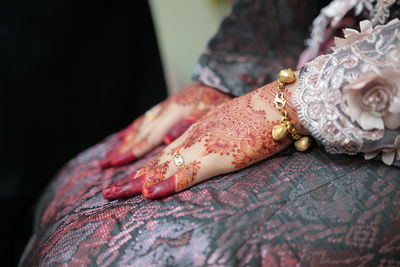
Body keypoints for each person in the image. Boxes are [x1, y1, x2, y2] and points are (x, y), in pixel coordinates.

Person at [20, 0, 400, 266]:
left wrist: (297, 104)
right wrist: (233, 74)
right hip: (310, 51)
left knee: (134, 248)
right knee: (81, 177)